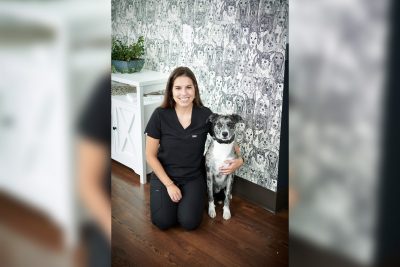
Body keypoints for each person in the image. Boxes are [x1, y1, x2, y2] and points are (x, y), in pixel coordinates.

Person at [145, 66, 244, 230]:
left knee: (189, 223)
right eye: (178, 88)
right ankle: (171, 202)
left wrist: (241, 160)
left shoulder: (205, 115)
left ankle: (188, 200)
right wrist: (169, 185)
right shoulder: (159, 115)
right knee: (163, 222)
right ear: (171, 90)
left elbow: (227, 139)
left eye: (188, 87)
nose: (183, 93)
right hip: (165, 176)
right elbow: (150, 155)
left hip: (193, 177)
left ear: (195, 89)